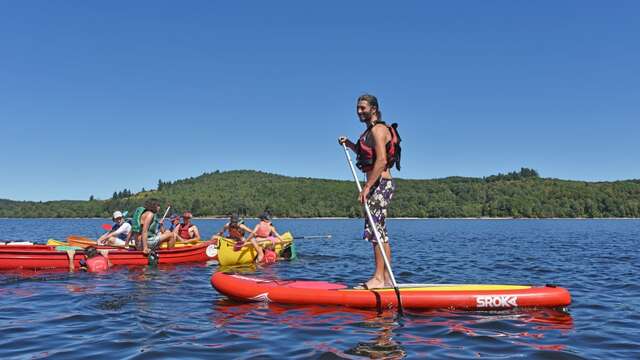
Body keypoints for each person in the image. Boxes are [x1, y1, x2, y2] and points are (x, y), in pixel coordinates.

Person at [338, 94, 401, 290]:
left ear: (373, 109)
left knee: (376, 231)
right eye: (357, 108)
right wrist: (350, 145)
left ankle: (379, 278)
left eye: (363, 108)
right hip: (377, 183)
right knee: (380, 232)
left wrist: (367, 187)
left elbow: (381, 161)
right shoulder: (368, 132)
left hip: (380, 184)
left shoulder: (379, 129)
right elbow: (367, 154)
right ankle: (387, 279)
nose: (359, 111)